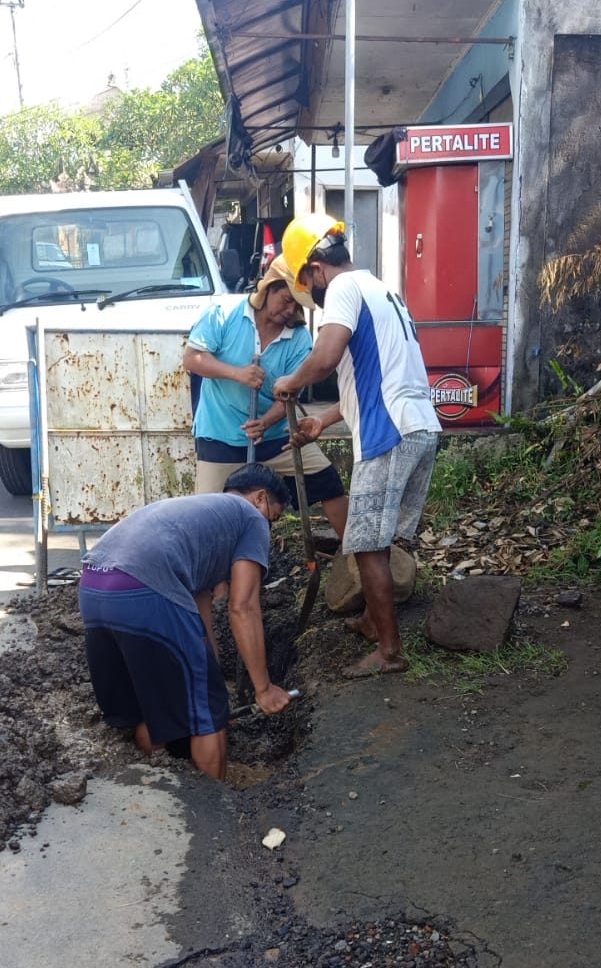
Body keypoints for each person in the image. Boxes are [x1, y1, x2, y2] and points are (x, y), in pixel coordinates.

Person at [272, 214, 440, 679]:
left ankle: (389, 653)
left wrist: (290, 381)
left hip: (389, 435)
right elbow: (376, 380)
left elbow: (325, 359)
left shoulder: (343, 290)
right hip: (420, 426)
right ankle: (371, 620)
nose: (312, 293)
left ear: (315, 271)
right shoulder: (383, 290)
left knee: (367, 545)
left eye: (307, 283)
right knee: (379, 539)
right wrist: (323, 419)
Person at [78, 465, 293, 781]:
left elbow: (199, 622)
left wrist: (212, 690)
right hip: (145, 589)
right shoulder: (251, 518)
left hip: (94, 588)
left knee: (149, 707)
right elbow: (243, 607)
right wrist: (263, 689)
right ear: (261, 499)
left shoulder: (199, 519)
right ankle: (213, 814)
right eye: (273, 518)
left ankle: (170, 797)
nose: (268, 529)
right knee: (208, 720)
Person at [184, 254, 348, 539]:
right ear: (269, 288)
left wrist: (266, 422)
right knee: (206, 514)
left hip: (274, 437)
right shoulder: (223, 313)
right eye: (286, 300)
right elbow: (193, 359)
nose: (290, 311)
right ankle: (212, 575)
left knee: (326, 479)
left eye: (297, 305)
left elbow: (290, 394)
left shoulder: (299, 338)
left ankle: (355, 554)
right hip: (220, 434)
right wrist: (238, 374)